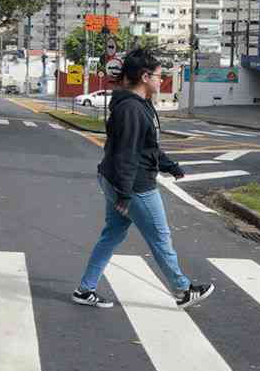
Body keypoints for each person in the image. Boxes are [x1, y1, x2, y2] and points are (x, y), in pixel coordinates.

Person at [72, 48, 215, 309]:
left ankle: (85, 289)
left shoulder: (139, 106)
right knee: (160, 237)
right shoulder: (132, 110)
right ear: (145, 76)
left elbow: (147, 147)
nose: (163, 81)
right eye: (160, 76)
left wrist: (170, 166)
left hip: (121, 180)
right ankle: (183, 290)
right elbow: (126, 154)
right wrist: (125, 194)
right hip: (134, 185)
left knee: (112, 235)